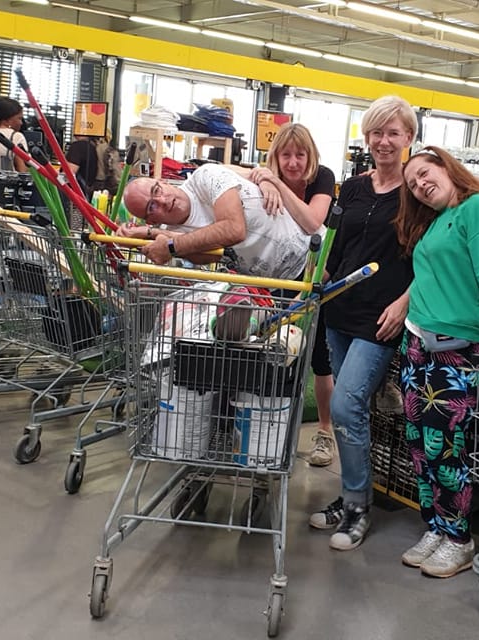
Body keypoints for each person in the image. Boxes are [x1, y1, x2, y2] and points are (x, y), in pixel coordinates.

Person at [393, 145, 479, 578]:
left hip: (458, 351)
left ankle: (459, 539)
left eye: (425, 173)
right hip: (417, 346)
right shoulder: (435, 222)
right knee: (419, 446)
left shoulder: (477, 209)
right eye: (413, 184)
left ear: (447, 168)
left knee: (446, 449)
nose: (420, 185)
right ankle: (435, 526)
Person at [308, 95, 416, 552]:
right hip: (339, 309)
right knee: (353, 409)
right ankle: (352, 493)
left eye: (393, 132)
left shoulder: (417, 193)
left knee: (347, 404)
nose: (383, 141)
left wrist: (405, 303)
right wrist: (318, 279)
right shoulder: (351, 188)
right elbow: (335, 246)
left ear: (409, 137)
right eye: (376, 132)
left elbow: (429, 258)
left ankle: (357, 506)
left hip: (381, 318)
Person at [228, 123, 338, 467]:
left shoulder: (322, 177)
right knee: (265, 350)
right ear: (275, 156)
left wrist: (275, 184)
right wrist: (261, 178)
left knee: (319, 357)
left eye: (300, 155)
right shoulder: (265, 174)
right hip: (270, 276)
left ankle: (325, 431)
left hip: (313, 274)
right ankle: (256, 425)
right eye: (285, 155)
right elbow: (220, 171)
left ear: (311, 155)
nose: (292, 163)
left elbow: (312, 221)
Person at [118, 163, 311, 280]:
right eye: (151, 206)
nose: (162, 200)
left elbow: (234, 229)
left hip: (311, 257)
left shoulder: (205, 177)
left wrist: (170, 246)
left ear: (163, 182)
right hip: (277, 287)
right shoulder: (172, 231)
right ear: (151, 220)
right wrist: (147, 235)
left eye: (157, 190)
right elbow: (209, 256)